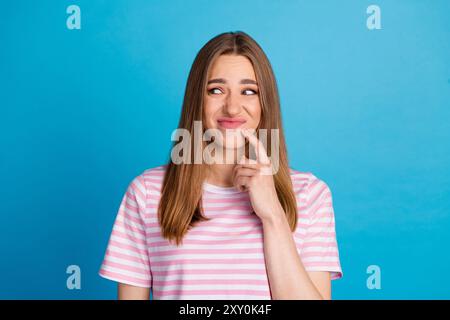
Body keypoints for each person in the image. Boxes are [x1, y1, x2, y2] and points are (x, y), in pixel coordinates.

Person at [99, 31, 342, 300]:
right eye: (216, 90)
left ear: (265, 104)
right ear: (196, 101)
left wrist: (273, 214)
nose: (233, 108)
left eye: (249, 91)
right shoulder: (147, 193)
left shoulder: (310, 194)